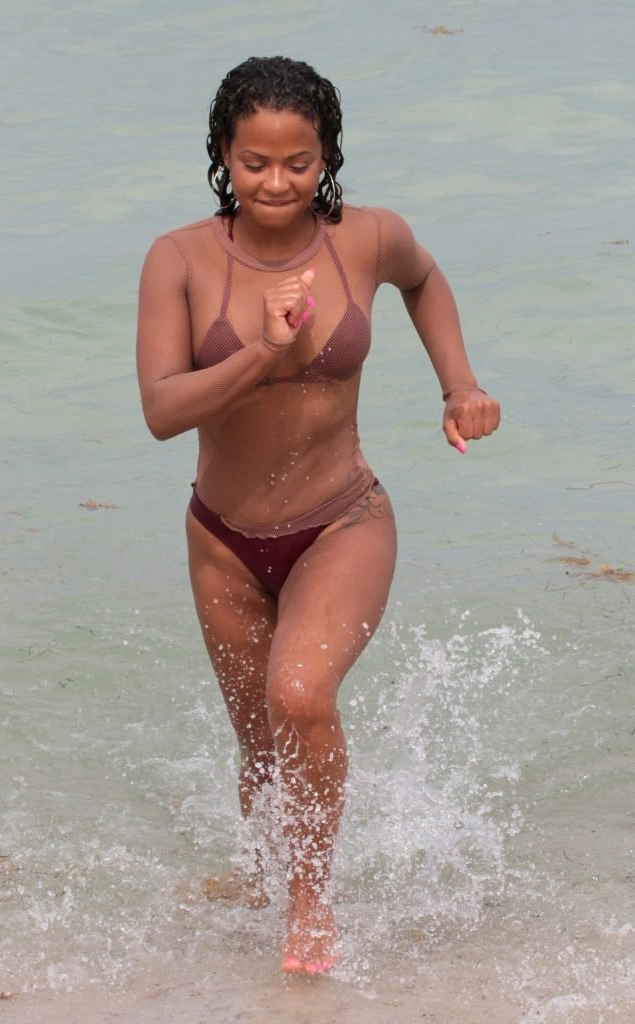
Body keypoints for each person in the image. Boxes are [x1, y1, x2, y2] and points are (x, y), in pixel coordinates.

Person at [136, 55, 500, 976]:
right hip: (222, 544)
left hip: (342, 520)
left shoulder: (367, 238)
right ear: (222, 155)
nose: (276, 182)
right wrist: (262, 351)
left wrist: (458, 385)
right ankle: (263, 888)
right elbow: (162, 411)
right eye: (254, 162)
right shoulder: (178, 259)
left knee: (299, 697)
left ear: (328, 155)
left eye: (298, 163)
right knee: (261, 749)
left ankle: (310, 900)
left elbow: (424, 279)